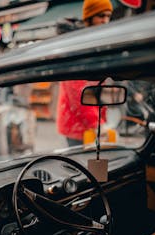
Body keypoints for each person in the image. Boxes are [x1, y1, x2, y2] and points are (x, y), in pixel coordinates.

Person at [56, 0, 113, 147]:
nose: (105, 21)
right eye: (101, 16)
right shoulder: (77, 45)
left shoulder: (94, 43)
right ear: (89, 17)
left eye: (108, 16)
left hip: (90, 120)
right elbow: (78, 93)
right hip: (77, 123)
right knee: (81, 166)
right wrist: (97, 123)